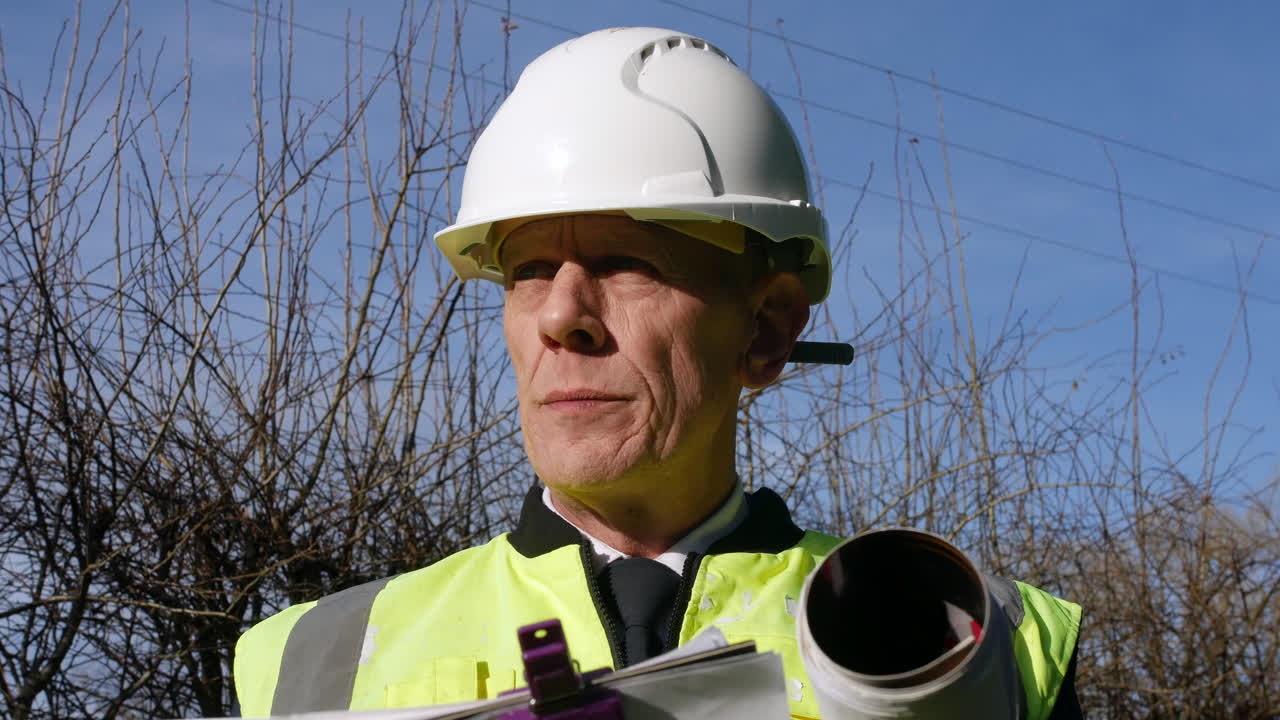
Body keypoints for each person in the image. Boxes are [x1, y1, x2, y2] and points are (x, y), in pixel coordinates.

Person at [233, 27, 1082, 719]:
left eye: (625, 262)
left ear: (766, 328)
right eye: (528, 271)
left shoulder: (983, 643)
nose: (562, 316)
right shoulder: (307, 662)